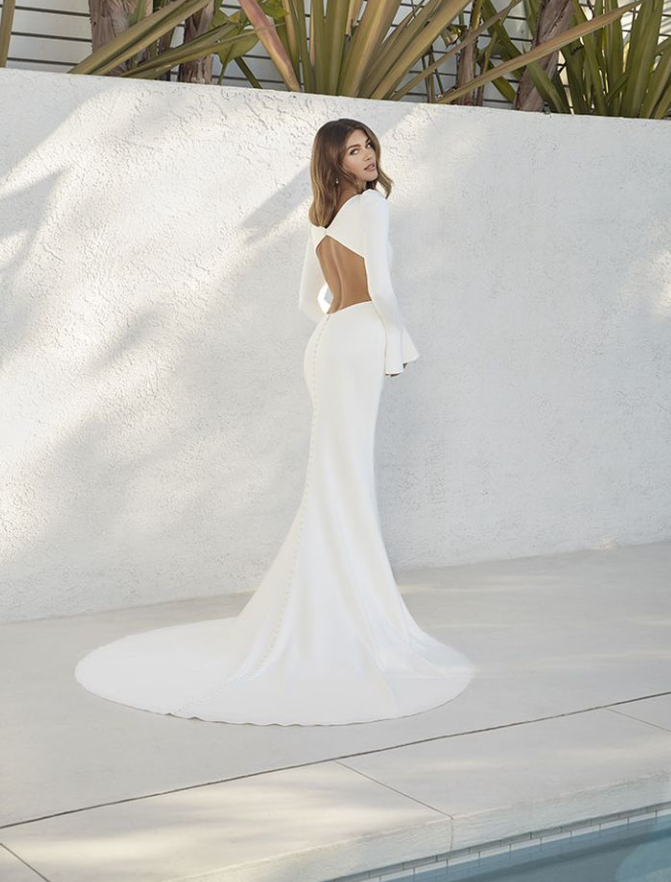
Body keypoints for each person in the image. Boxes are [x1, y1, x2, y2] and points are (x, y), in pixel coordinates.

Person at [74, 119, 475, 727]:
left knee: (332, 476)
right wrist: (398, 343)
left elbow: (304, 302)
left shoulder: (320, 226)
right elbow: (385, 290)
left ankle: (326, 601)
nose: (367, 157)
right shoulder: (371, 208)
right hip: (362, 337)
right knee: (346, 477)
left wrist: (339, 327)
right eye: (354, 151)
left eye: (368, 145)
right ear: (335, 164)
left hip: (328, 343)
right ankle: (342, 610)